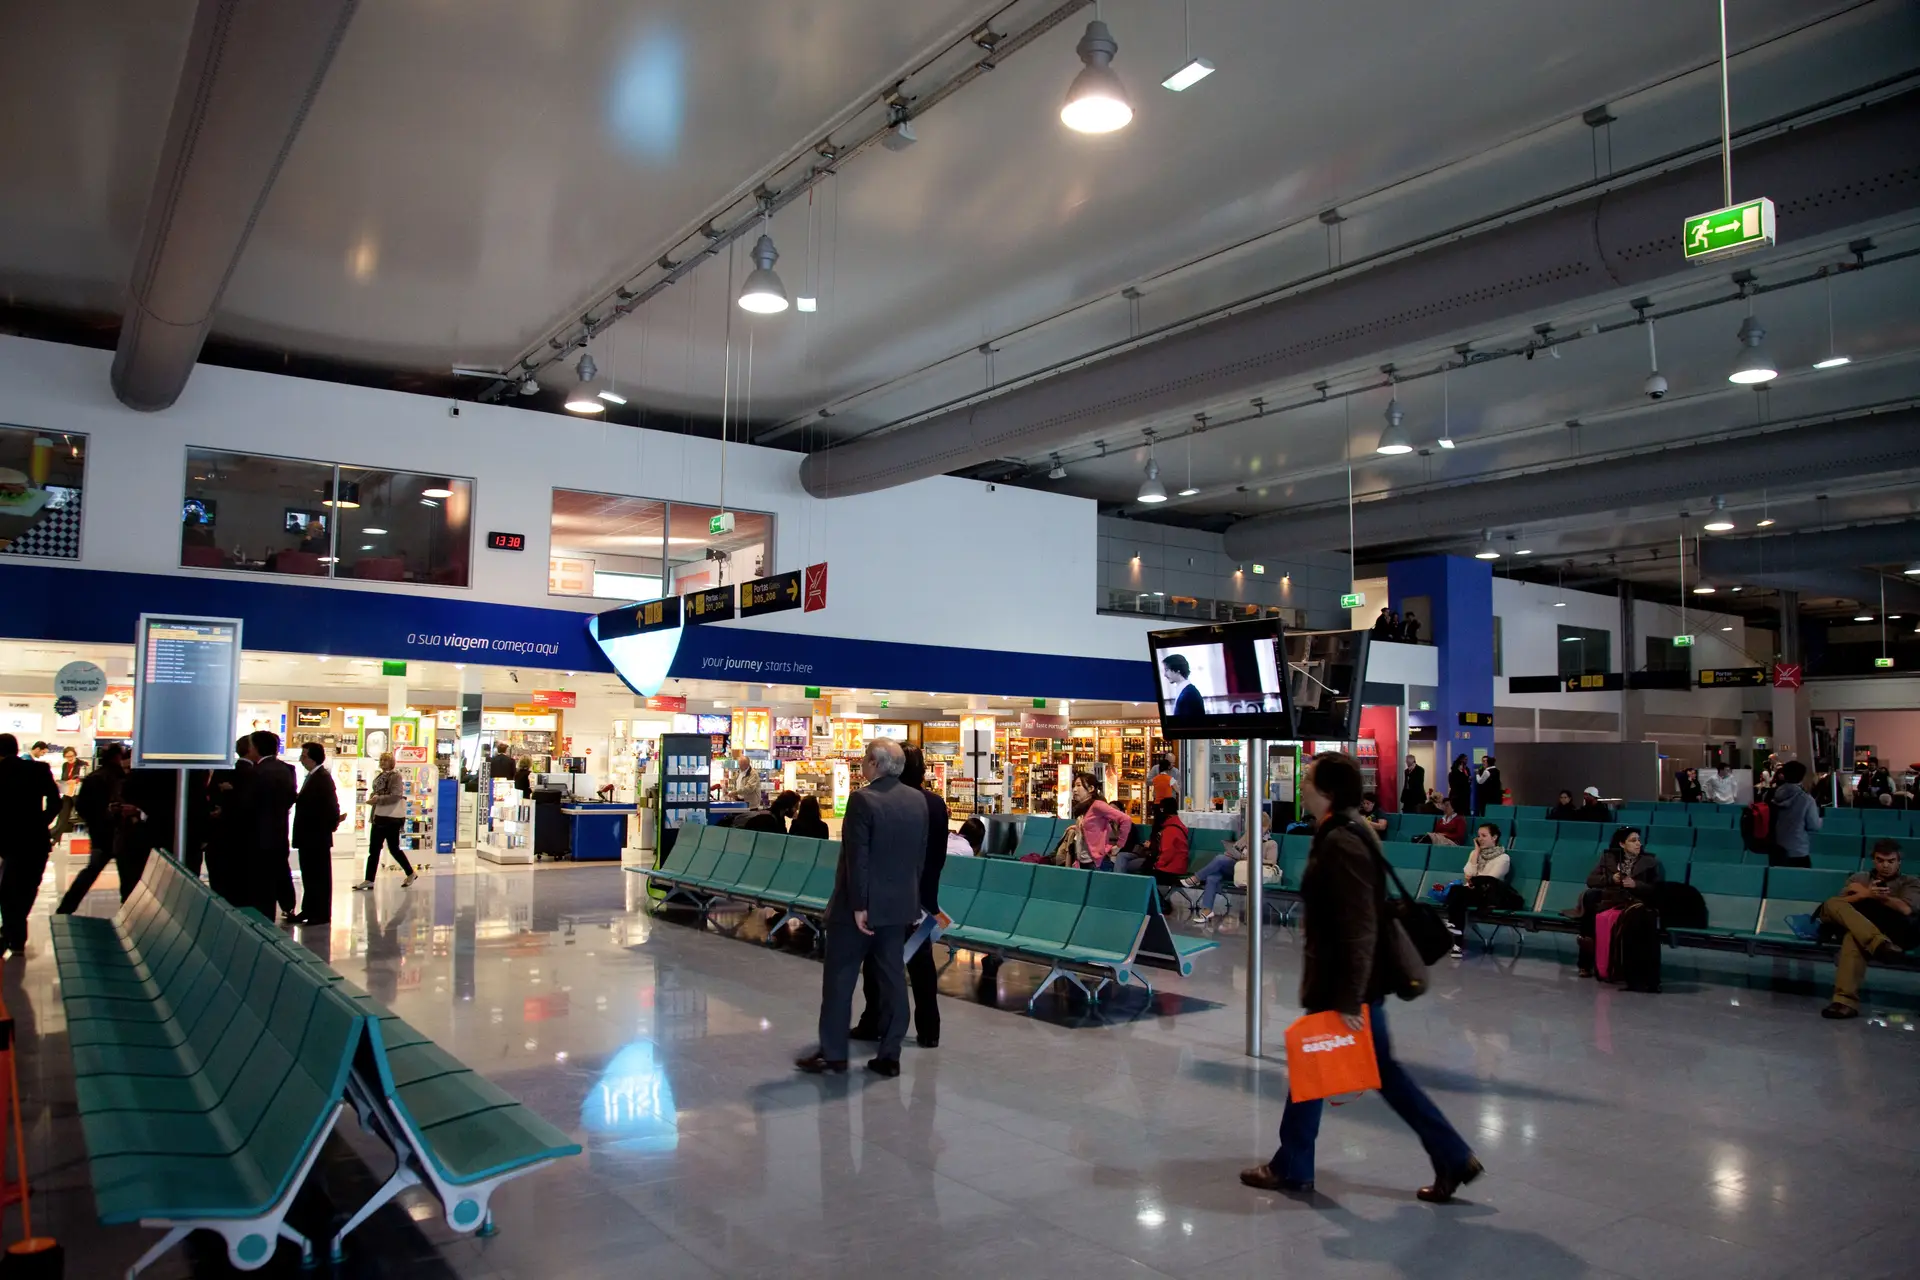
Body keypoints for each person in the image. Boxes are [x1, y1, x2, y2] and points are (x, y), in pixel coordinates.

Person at [1239, 750, 1481, 1202]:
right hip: (1346, 981)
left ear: (1327, 790)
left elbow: (1360, 926)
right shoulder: (1343, 831)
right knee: (1352, 1070)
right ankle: (1449, 1155)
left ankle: (1293, 1166)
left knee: (1329, 1068)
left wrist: (1351, 997)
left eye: (1308, 779)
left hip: (1347, 984)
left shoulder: (1343, 841)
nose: (1302, 784)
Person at [796, 738, 927, 1077]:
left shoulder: (862, 799)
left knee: (840, 979)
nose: (862, 764)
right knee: (893, 980)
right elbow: (918, 858)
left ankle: (834, 1053)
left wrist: (858, 904)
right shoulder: (918, 801)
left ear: (875, 763)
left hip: (857, 910)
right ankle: (890, 1054)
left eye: (866, 758)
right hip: (898, 908)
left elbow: (858, 857)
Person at [850, 747, 949, 1050]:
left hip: (892, 896)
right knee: (922, 965)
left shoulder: (892, 801)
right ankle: (929, 1029)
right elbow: (937, 854)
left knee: (877, 962)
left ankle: (875, 1021)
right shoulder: (935, 804)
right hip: (925, 897)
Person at [1813, 840, 1918, 1019]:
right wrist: (1868, 893)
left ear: (1899, 862)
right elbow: (1839, 905)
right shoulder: (1859, 878)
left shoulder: (1910, 882)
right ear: (1874, 860)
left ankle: (1845, 1002)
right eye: (1880, 860)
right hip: (1862, 926)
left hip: (1890, 930)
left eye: (1891, 861)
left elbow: (1906, 909)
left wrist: (1882, 898)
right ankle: (1878, 944)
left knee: (1853, 937)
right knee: (1831, 904)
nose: (1885, 865)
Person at [56, 743, 147, 913]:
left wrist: (95, 822)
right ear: (118, 758)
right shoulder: (126, 778)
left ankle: (65, 909)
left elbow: (81, 806)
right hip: (125, 835)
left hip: (101, 835)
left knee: (90, 872)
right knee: (128, 877)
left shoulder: (94, 777)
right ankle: (129, 914)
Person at [0, 734, 61, 955]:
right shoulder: (38, 770)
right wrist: (41, 821)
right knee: (28, 886)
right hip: (36, 839)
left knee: (8, 890)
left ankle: (12, 936)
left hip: (9, 841)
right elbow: (56, 802)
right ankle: (13, 935)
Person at [1577, 827, 1663, 978]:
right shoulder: (1608, 858)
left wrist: (1636, 884)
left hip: (1634, 901)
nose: (1638, 844)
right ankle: (1587, 954)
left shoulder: (1649, 861)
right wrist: (1611, 879)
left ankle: (1623, 966)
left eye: (1639, 840)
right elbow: (1590, 880)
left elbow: (1657, 888)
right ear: (1622, 844)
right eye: (1633, 840)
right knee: (1590, 898)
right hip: (1611, 899)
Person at [247, 730, 300, 919]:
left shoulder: (257, 772)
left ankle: (264, 916)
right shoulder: (286, 770)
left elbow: (249, 804)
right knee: (279, 871)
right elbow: (291, 798)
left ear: (256, 748)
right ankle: (286, 906)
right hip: (279, 831)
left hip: (259, 835)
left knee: (262, 882)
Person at [1441, 823, 1513, 956]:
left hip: (1488, 895)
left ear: (1494, 837)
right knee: (1457, 893)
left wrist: (1474, 880)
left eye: (1484, 835)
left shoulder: (1503, 858)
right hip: (1471, 892)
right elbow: (1468, 873)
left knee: (1457, 894)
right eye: (1479, 836)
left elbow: (1490, 879)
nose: (1480, 839)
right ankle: (1457, 942)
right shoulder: (1475, 853)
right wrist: (1476, 852)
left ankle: (1455, 937)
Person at [291, 743, 343, 924]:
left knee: (318, 876)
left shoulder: (322, 778)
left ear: (313, 758)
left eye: (304, 756)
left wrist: (331, 825)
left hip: (316, 836)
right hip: (310, 836)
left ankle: (319, 913)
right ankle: (309, 909)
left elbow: (332, 806)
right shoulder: (313, 777)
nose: (301, 759)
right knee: (309, 875)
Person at [1185, 821, 1277, 924]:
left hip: (1249, 872)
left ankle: (1197, 879)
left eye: (1261, 827)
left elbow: (1272, 862)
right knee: (1216, 870)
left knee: (1217, 865)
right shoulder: (1247, 837)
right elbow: (1236, 849)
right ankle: (1207, 910)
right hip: (1236, 868)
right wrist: (1231, 853)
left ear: (1267, 827)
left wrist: (1252, 858)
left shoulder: (1271, 843)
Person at [205, 736, 257, 906]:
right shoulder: (254, 772)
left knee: (221, 882)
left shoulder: (225, 771)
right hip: (243, 838)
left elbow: (212, 796)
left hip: (221, 837)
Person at [356, 752, 418, 890]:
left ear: (392, 762)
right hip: (380, 815)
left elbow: (396, 795)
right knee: (376, 849)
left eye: (386, 760)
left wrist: (378, 799)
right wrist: (374, 796)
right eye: (381, 759)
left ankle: (409, 873)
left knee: (391, 848)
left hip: (389, 818)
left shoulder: (395, 776)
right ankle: (370, 879)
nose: (383, 762)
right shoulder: (380, 775)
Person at [1066, 772, 1131, 872]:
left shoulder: (1098, 805)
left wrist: (1119, 846)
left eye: (1079, 785)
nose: (1074, 789)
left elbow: (1126, 820)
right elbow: (1092, 826)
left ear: (1091, 788)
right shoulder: (1084, 808)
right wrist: (1076, 827)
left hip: (1096, 864)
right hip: (1083, 862)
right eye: (1074, 786)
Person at [1769, 761, 1822, 868]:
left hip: (1776, 849)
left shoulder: (1772, 795)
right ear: (1802, 777)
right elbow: (1814, 825)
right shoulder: (1806, 800)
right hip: (1798, 851)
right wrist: (1820, 820)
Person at [1144, 798, 1192, 894]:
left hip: (1172, 868)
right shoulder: (1177, 825)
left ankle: (1155, 899)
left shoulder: (1170, 829)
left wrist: (1156, 865)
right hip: (1179, 865)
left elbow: (1168, 852)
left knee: (1145, 871)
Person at [49, 744, 83, 842]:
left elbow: (83, 777)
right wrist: (60, 782)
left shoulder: (81, 764)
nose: (70, 758)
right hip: (67, 792)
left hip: (77, 793)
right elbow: (64, 777)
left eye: (71, 756)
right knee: (62, 816)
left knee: (82, 815)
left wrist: (75, 781)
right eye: (67, 756)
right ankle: (54, 836)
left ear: (75, 755)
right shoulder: (65, 765)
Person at [1161, 653, 1204, 719]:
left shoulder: (1189, 693)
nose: (1165, 674)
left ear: (1177, 670)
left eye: (1167, 670)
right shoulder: (1185, 691)